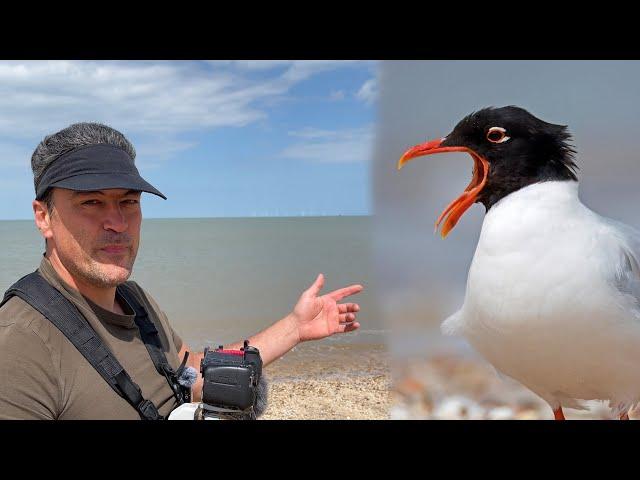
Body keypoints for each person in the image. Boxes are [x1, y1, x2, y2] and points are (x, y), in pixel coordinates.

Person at [0, 122, 363, 420]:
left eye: (128, 202)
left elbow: (189, 373)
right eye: (91, 202)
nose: (117, 222)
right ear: (44, 217)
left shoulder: (133, 300)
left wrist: (295, 327)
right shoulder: (20, 345)